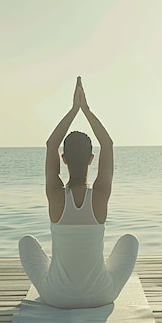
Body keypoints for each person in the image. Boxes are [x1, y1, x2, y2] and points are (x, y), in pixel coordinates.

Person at [18, 76, 139, 309]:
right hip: (100, 295)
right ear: (91, 159)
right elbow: (108, 144)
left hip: (57, 297)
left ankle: (64, 272)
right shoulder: (101, 194)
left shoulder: (55, 194)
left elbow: (51, 144)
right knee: (130, 241)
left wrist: (73, 109)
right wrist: (86, 110)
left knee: (26, 242)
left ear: (63, 160)